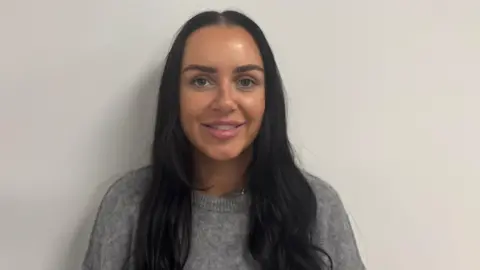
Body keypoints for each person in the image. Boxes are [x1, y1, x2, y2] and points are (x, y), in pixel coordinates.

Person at [82, 10, 365, 270]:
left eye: (245, 82)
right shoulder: (129, 203)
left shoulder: (317, 206)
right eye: (201, 81)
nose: (225, 102)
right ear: (175, 96)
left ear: (268, 98)